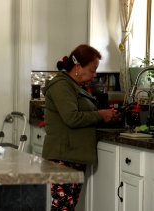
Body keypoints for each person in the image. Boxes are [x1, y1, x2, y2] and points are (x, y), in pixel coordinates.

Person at [41, 44, 119, 210]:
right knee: (63, 207)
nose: (95, 74)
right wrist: (100, 115)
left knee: (66, 206)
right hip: (64, 157)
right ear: (78, 67)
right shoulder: (61, 85)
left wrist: (105, 116)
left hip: (72, 156)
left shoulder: (74, 85)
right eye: (92, 69)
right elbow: (72, 118)